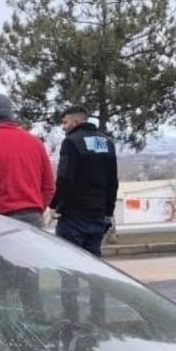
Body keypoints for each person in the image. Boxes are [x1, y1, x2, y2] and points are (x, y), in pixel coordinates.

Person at [0, 92, 56, 226]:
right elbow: (49, 187)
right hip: (34, 219)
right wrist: (37, 209)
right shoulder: (35, 143)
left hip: (0, 220)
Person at [50, 105, 119, 256]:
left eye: (65, 123)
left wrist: (55, 204)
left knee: (69, 265)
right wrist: (108, 211)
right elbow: (112, 181)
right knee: (92, 266)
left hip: (74, 217)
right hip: (98, 216)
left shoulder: (71, 142)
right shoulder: (106, 143)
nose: (63, 127)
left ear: (75, 122)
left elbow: (65, 178)